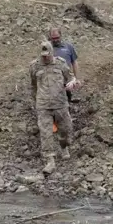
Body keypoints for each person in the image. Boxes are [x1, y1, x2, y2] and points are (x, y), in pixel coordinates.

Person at [29, 41, 78, 174]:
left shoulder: (61, 63)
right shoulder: (34, 66)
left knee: (66, 131)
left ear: (52, 52)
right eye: (43, 55)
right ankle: (50, 160)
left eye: (48, 55)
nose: (45, 57)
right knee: (46, 133)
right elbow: (33, 85)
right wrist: (36, 100)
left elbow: (71, 78)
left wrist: (72, 83)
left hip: (60, 103)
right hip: (43, 105)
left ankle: (63, 146)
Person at [48, 28, 81, 103]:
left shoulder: (68, 47)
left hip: (66, 80)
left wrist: (76, 78)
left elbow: (74, 62)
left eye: (57, 38)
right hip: (51, 81)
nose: (55, 40)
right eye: (53, 38)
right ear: (50, 37)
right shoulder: (46, 48)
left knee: (66, 101)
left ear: (61, 36)